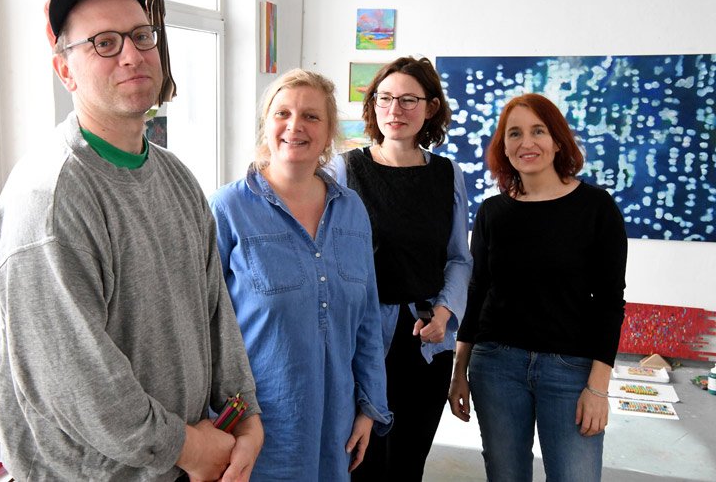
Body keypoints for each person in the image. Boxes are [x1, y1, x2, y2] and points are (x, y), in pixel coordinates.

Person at [0, 0, 262, 481]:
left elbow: (214, 310)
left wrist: (244, 410)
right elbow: (80, 382)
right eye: (104, 43)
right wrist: (187, 447)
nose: (133, 55)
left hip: (176, 465)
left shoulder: (176, 177)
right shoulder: (50, 198)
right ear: (64, 69)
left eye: (142, 36)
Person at [208, 68, 393, 481]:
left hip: (335, 425)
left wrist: (369, 406)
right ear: (265, 125)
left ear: (329, 134)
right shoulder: (226, 210)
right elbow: (201, 325)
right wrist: (210, 423)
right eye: (283, 113)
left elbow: (366, 319)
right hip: (255, 428)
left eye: (311, 116)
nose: (295, 126)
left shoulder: (352, 210)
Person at [448, 93, 628, 481]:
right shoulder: (493, 212)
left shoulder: (596, 207)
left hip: (571, 370)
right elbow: (477, 291)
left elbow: (611, 303)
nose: (526, 143)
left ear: (558, 140)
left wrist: (598, 387)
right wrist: (459, 369)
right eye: (514, 133)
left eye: (538, 131)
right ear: (504, 147)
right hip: (495, 365)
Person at [332, 56, 473, 481]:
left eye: (409, 100)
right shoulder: (343, 169)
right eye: (385, 98)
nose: (395, 110)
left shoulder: (448, 174)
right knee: (360, 461)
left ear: (430, 108)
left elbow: (458, 258)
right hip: (361, 337)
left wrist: (446, 312)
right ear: (373, 105)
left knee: (408, 464)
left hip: (425, 340)